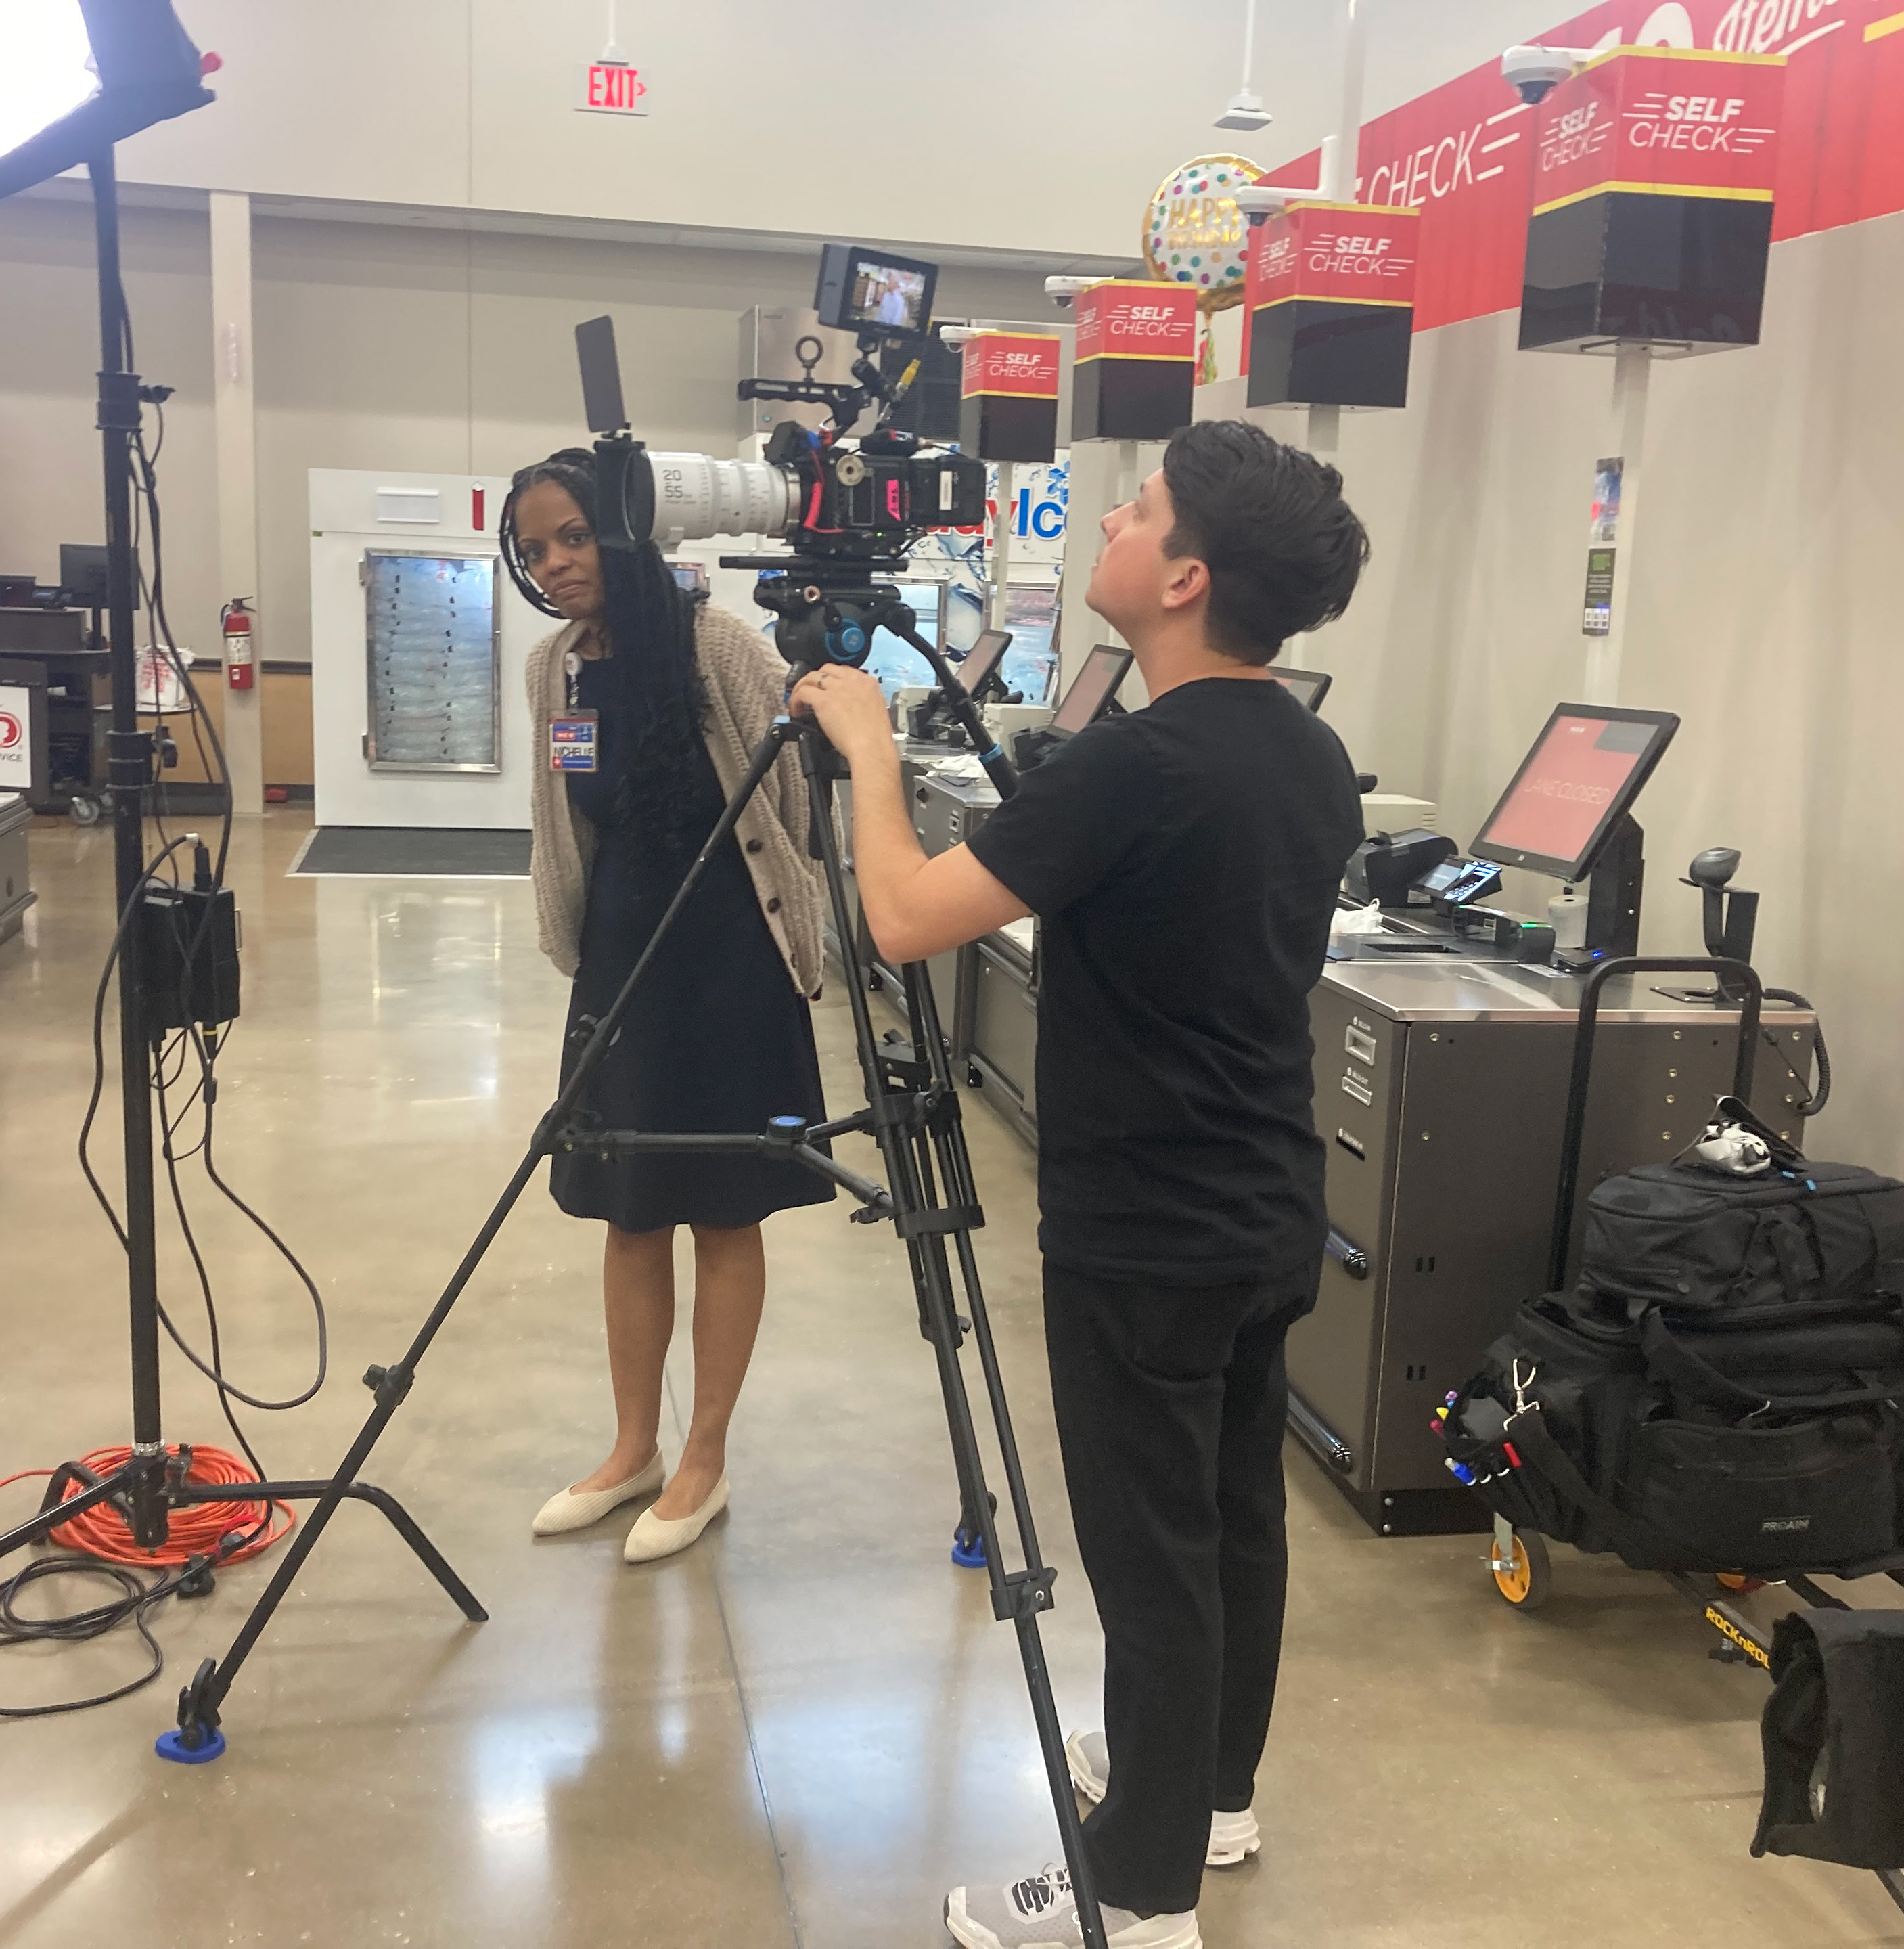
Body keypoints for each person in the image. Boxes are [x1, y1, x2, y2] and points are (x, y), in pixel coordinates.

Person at [788, 419, 1368, 1949]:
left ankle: (1140, 1893)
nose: (1112, 517)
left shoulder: (1135, 765)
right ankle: (1211, 1797)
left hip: (1146, 1230)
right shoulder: (1305, 752)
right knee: (1232, 1519)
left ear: (1184, 579)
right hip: (1264, 1206)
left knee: (1152, 1557)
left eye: (1143, 507)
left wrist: (867, 751)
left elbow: (904, 917)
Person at [511, 451, 833, 1565]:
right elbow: (563, 819)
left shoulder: (718, 646)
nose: (555, 564)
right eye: (535, 548)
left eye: (573, 536)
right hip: (621, 967)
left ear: (625, 531)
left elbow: (790, 805)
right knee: (629, 1207)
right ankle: (632, 1450)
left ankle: (704, 1458)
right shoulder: (555, 669)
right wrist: (575, 946)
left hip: (731, 963)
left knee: (725, 1210)